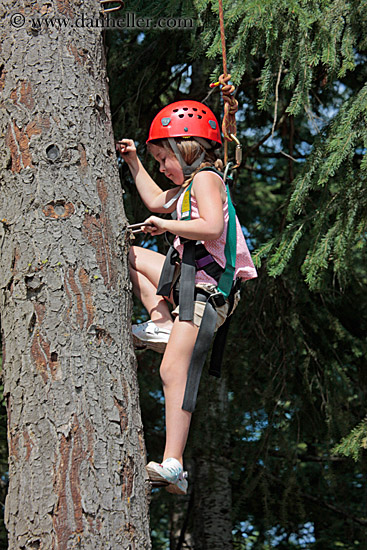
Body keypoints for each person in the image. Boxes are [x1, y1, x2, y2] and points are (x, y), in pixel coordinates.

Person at [116, 100, 257, 495]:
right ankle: (160, 321)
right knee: (127, 256)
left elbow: (211, 226)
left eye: (164, 159)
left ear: (187, 148)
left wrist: (166, 225)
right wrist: (134, 162)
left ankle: (174, 464)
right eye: (158, 161)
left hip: (208, 291)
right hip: (187, 282)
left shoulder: (208, 179)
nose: (162, 168)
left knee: (171, 370)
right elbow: (155, 202)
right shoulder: (184, 189)